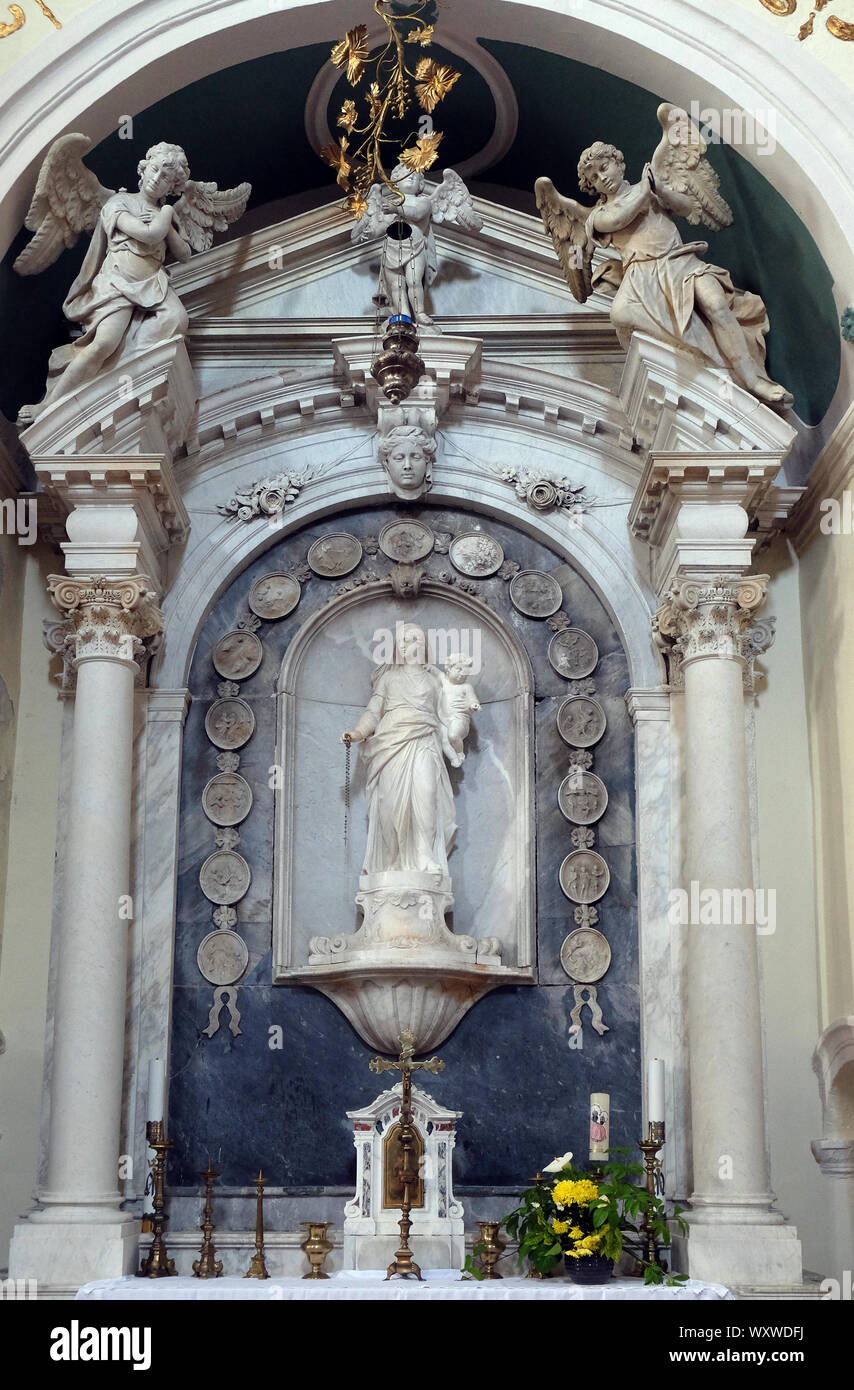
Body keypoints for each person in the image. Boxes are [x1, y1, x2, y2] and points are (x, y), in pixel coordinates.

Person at [40, 142, 192, 403]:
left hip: (154, 282)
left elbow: (185, 253)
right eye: (154, 170)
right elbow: (147, 234)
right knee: (104, 343)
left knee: (177, 320)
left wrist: (166, 218)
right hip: (119, 281)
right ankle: (48, 405)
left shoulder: (166, 216)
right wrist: (165, 215)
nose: (157, 179)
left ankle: (122, 370)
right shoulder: (119, 202)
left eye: (166, 177)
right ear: (143, 169)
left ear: (172, 187)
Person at [340, 624, 463, 876]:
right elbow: (374, 712)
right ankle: (392, 860)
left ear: (424, 645)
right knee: (391, 803)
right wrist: (358, 733)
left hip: (424, 741)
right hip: (390, 743)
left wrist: (458, 727)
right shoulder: (389, 678)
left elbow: (448, 714)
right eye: (403, 640)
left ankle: (423, 855)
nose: (407, 644)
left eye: (414, 638)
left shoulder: (435, 680)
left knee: (426, 796)